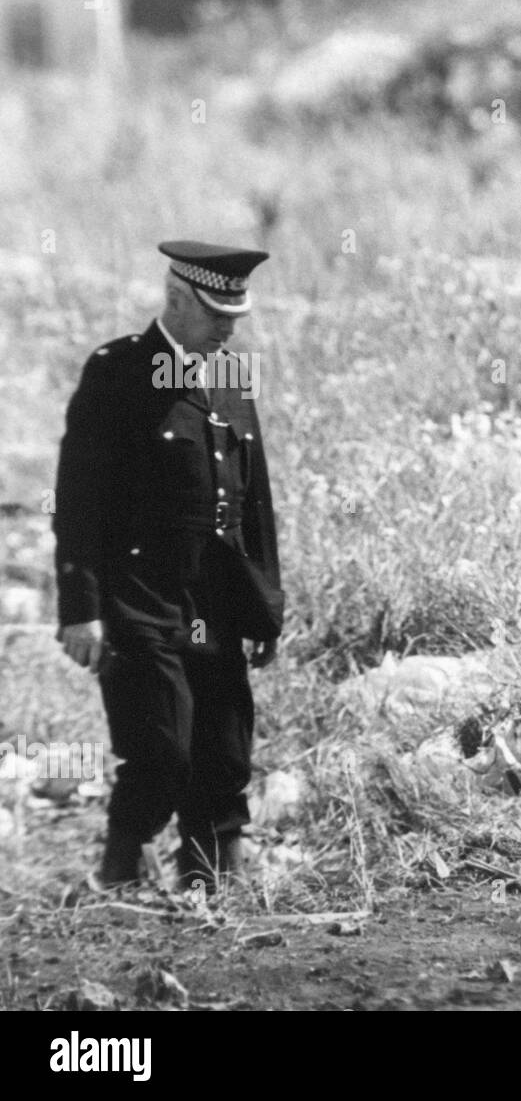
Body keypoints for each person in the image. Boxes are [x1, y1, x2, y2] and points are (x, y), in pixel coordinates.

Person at [54, 240, 285, 891]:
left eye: (236, 315)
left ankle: (210, 872)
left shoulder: (233, 372)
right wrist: (81, 610)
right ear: (177, 300)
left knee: (223, 740)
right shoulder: (118, 374)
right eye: (217, 313)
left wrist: (264, 603)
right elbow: (77, 501)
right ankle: (122, 862)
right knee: (160, 743)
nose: (229, 327)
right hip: (138, 592)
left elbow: (254, 496)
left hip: (215, 591)